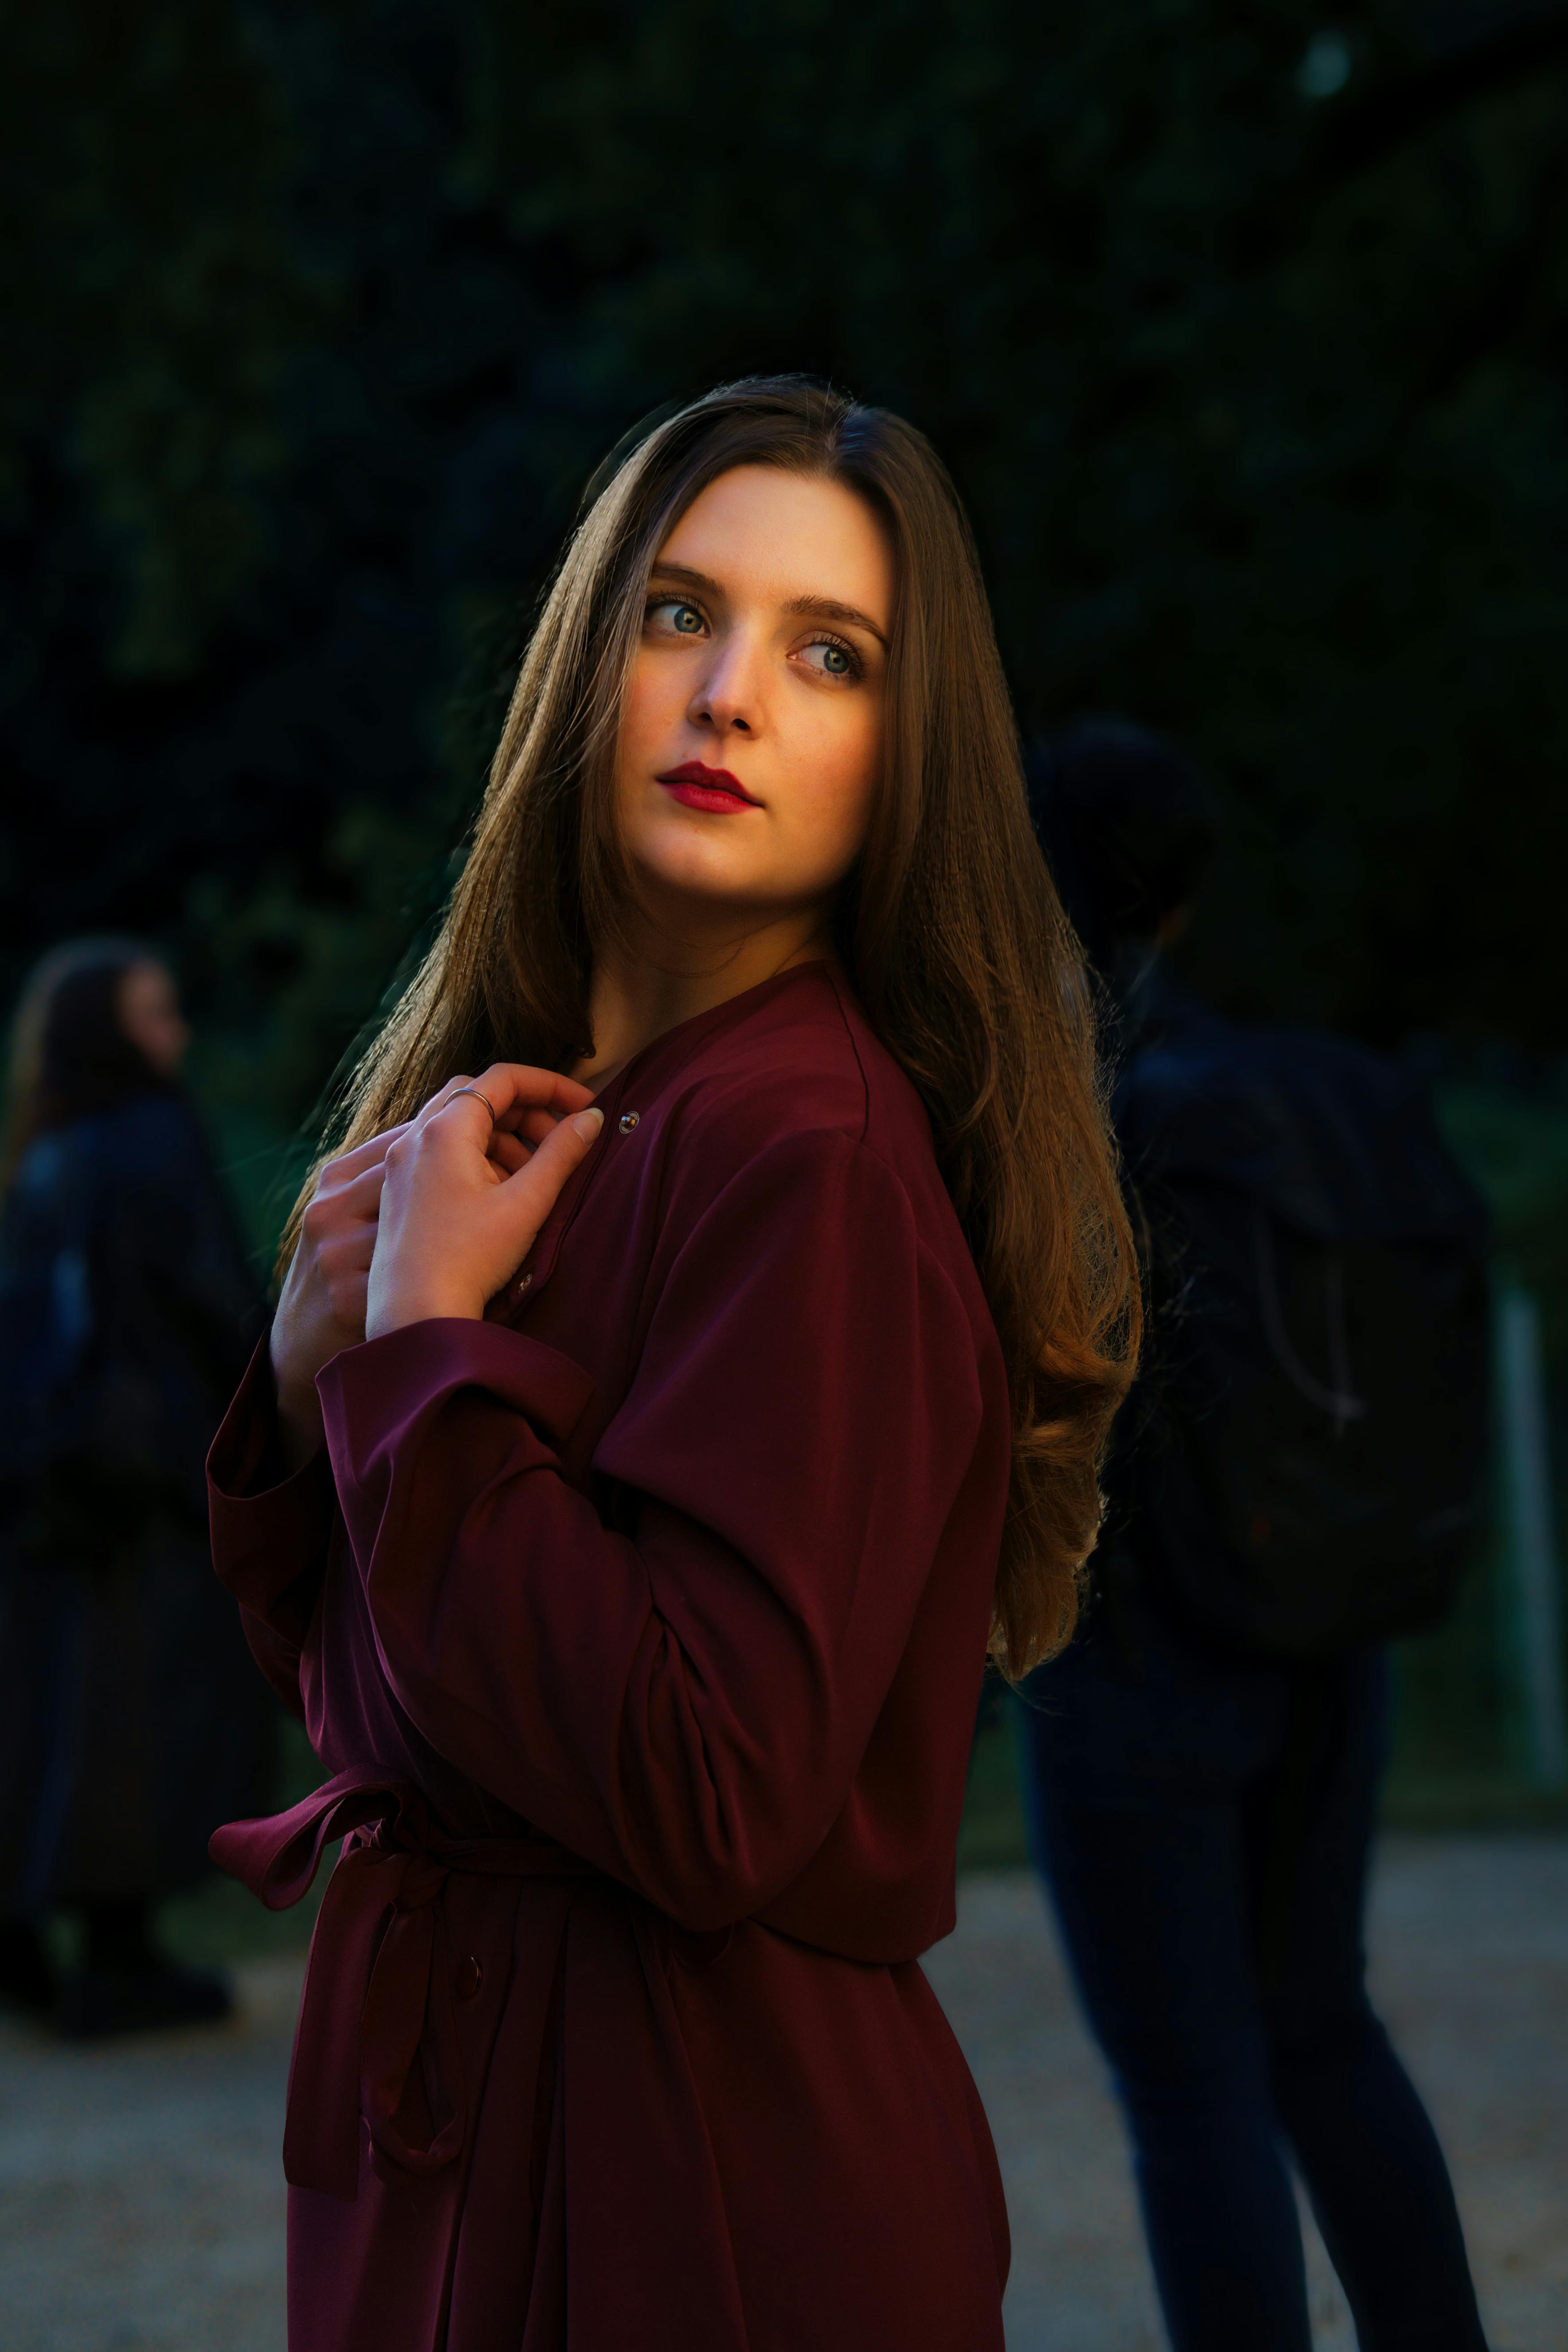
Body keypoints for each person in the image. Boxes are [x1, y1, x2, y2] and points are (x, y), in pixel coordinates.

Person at [203, 377, 1139, 2351]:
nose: (730, 696)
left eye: (829, 655)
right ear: (584, 654)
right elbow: (400, 1711)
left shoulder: (807, 1150)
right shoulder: (534, 1131)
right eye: (676, 613)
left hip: (690, 2194)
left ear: (906, 758)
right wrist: (318, 1398)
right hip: (465, 2141)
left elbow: (706, 1792)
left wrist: (439, 1364)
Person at [1018, 721, 1491, 2352]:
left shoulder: (1050, 1109)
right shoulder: (1275, 1094)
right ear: (1179, 897)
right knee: (1321, 2033)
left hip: (1140, 1654)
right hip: (1320, 1632)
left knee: (1189, 2089)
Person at [0, 938, 270, 2034]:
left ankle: (46, 1934)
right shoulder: (156, 1137)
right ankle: (122, 1957)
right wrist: (278, 1418)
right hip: (151, 1473)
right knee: (146, 1708)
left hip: (51, 1484)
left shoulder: (43, 1160)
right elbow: (216, 1300)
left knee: (59, 1704)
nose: (179, 1036)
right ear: (107, 1033)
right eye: (156, 1014)